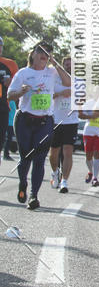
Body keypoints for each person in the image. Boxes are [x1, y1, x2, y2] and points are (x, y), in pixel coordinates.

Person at [7, 41, 70, 209]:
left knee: (40, 159)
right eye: (41, 50)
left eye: (48, 52)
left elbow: (68, 82)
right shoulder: (23, 73)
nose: (44, 54)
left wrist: (56, 63)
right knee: (25, 156)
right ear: (33, 53)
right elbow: (9, 95)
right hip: (25, 120)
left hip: (45, 121)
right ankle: (22, 184)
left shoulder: (52, 72)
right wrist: (21, 92)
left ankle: (34, 196)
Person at [49, 55, 78, 192]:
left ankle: (64, 181)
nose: (69, 66)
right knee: (54, 152)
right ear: (62, 65)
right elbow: (48, 95)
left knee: (68, 151)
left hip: (71, 120)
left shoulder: (79, 80)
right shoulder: (55, 78)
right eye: (66, 64)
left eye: (71, 64)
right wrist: (61, 93)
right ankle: (55, 171)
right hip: (55, 119)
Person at [0, 36, 18, 162]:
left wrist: (10, 82)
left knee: (1, 139)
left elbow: (18, 84)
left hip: (3, 106)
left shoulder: (10, 64)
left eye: (0, 45)